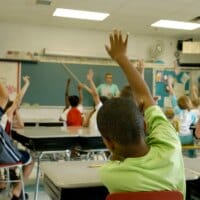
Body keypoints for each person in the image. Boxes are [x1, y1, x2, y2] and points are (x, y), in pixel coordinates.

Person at [96, 30, 185, 197]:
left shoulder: (109, 174)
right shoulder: (170, 145)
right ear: (144, 124)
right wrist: (122, 57)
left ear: (108, 143)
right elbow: (145, 96)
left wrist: (114, 148)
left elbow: (115, 158)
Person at [0, 80, 34, 200]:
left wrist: (16, 111)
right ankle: (17, 191)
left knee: (14, 160)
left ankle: (5, 181)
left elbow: (21, 125)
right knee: (30, 161)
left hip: (3, 153)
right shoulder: (6, 114)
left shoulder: (6, 117)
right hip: (3, 153)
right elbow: (17, 98)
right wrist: (27, 84)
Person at [168, 82, 198, 157]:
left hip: (178, 138)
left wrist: (170, 85)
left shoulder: (176, 110)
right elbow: (195, 123)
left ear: (178, 104)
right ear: (189, 103)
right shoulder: (192, 114)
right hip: (188, 138)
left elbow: (173, 96)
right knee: (192, 144)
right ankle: (192, 156)